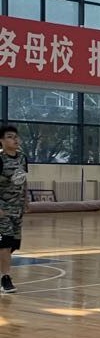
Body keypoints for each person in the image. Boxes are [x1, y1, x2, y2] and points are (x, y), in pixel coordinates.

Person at [0, 124, 29, 295]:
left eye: (16, 136)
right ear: (2, 141)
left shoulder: (23, 158)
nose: (15, 139)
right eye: (10, 137)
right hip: (2, 209)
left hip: (17, 208)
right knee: (5, 244)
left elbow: (23, 179)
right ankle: (5, 279)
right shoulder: (0, 159)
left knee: (13, 244)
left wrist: (26, 199)